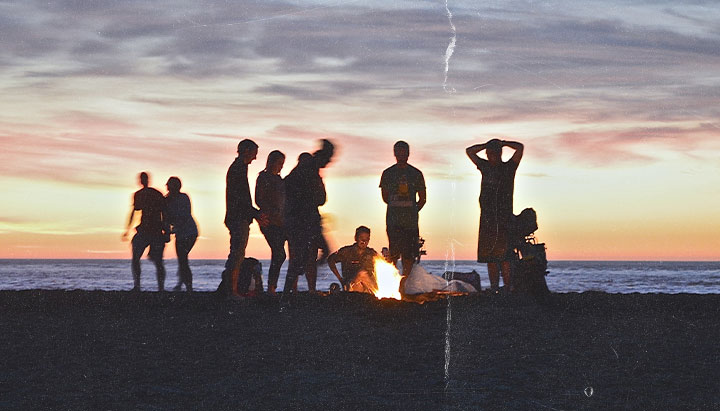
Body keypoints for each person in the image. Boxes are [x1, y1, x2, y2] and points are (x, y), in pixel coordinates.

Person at [466, 138, 524, 293]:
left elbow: (520, 148)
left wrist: (503, 143)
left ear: (500, 153)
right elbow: (469, 151)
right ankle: (494, 287)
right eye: (489, 153)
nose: (492, 155)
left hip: (504, 217)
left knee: (505, 256)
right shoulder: (484, 166)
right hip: (487, 218)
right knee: (490, 256)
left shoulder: (509, 168)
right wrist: (486, 145)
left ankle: (507, 287)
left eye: (495, 152)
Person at [283, 140, 334, 296]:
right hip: (303, 220)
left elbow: (320, 198)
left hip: (303, 219)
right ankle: (292, 290)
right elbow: (320, 198)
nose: (330, 162)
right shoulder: (309, 171)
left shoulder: (304, 171)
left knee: (305, 256)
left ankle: (296, 289)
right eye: (329, 159)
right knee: (305, 256)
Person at [218, 139, 268, 299]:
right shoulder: (238, 169)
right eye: (254, 153)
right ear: (246, 151)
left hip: (238, 216)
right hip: (238, 217)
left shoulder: (239, 168)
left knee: (237, 252)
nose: (255, 158)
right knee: (237, 253)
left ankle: (230, 289)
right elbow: (241, 198)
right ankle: (231, 291)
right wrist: (255, 213)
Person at [379, 141, 426, 278]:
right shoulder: (387, 173)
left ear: (408, 153)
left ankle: (403, 283)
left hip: (410, 222)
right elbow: (385, 197)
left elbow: (423, 198)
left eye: (404, 151)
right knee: (394, 252)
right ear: (394, 153)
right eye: (398, 151)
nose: (401, 154)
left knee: (409, 254)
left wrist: (412, 210)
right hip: (393, 220)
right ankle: (393, 281)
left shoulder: (416, 173)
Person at [122, 171, 169, 292]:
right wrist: (127, 229)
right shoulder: (139, 195)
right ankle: (138, 286)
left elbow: (164, 213)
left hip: (155, 230)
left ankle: (160, 288)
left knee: (158, 261)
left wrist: (167, 230)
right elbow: (134, 212)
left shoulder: (156, 194)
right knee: (137, 258)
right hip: (144, 230)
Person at [255, 150, 286, 296]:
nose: (280, 166)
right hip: (269, 221)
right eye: (278, 163)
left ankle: (273, 287)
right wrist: (270, 210)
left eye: (282, 164)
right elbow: (258, 199)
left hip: (281, 221)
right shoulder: (264, 177)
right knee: (279, 253)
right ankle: (271, 288)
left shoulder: (280, 180)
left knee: (280, 253)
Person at [165, 176, 199, 293]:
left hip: (189, 232)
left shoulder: (183, 198)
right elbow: (167, 218)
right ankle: (182, 284)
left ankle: (188, 287)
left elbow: (185, 215)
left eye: (169, 184)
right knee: (182, 259)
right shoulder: (167, 200)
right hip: (180, 233)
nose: (167, 186)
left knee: (183, 259)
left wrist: (171, 230)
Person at [327, 226, 378, 293]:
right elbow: (330, 259)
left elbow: (383, 264)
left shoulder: (371, 253)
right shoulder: (347, 251)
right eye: (361, 238)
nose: (364, 241)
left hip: (369, 287)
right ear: (356, 238)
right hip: (352, 286)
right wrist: (340, 279)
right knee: (362, 274)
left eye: (367, 239)